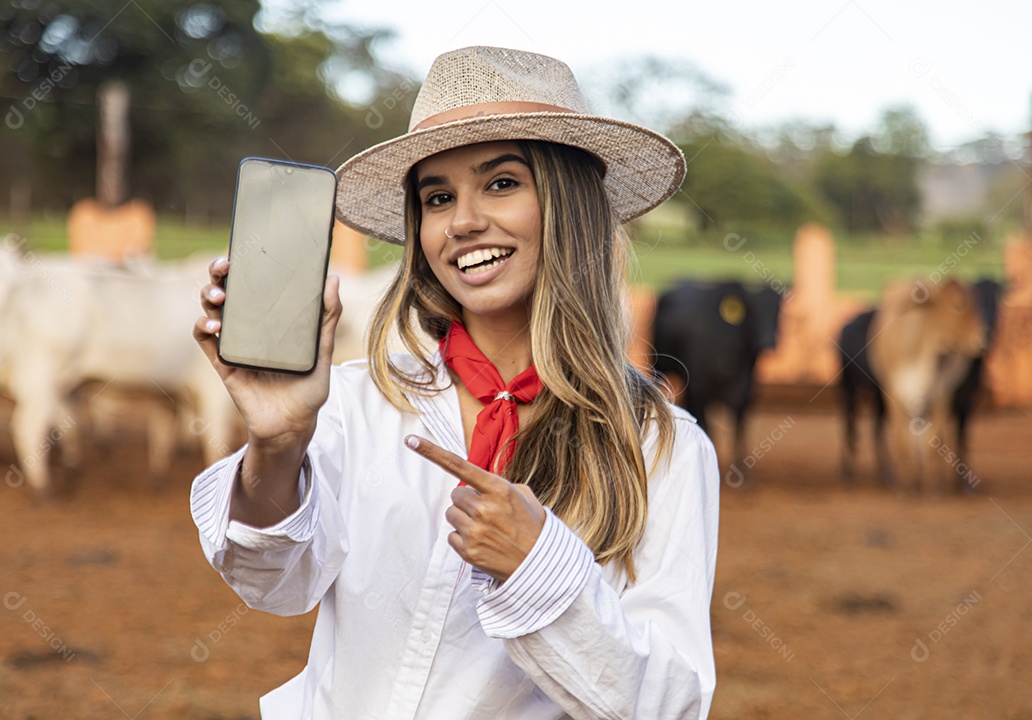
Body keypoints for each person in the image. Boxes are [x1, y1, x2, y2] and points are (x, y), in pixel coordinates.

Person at [191, 45, 719, 719]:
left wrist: (541, 572)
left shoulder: (660, 448)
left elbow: (669, 705)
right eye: (437, 197)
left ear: (570, 203)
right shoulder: (359, 403)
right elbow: (270, 580)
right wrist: (277, 441)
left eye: (502, 183)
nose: (463, 220)